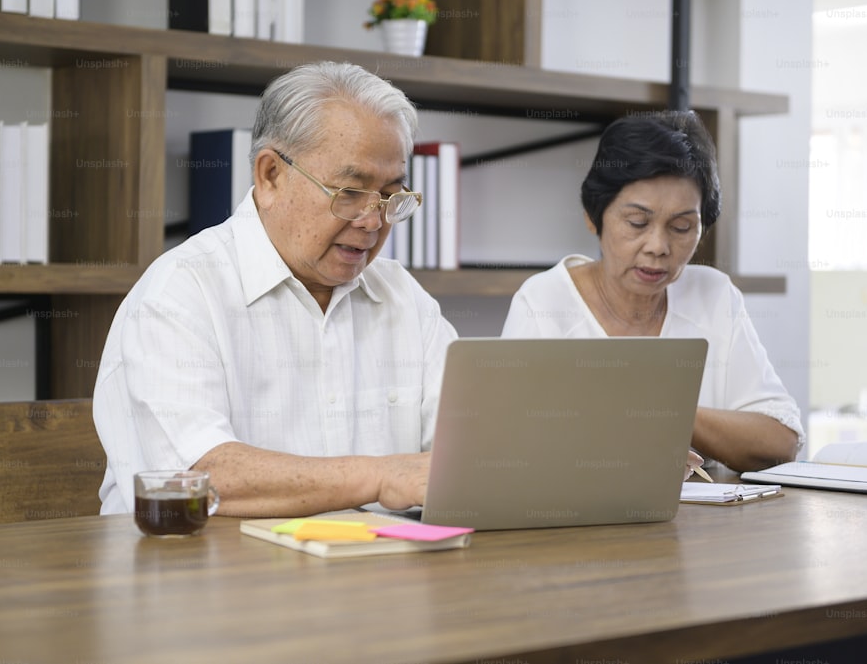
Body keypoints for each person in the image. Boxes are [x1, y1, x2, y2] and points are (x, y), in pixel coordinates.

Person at [93, 61, 457, 517]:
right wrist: (381, 476)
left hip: (376, 576)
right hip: (208, 580)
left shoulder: (406, 299)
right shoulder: (180, 293)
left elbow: (471, 452)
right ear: (270, 176)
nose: (372, 221)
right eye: (349, 192)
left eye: (391, 196)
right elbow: (199, 478)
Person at [501, 110, 803, 473]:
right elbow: (514, 451)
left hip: (704, 526)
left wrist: (667, 416)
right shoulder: (544, 302)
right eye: (637, 223)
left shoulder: (714, 295)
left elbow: (780, 442)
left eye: (681, 227)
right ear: (593, 216)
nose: (658, 246)